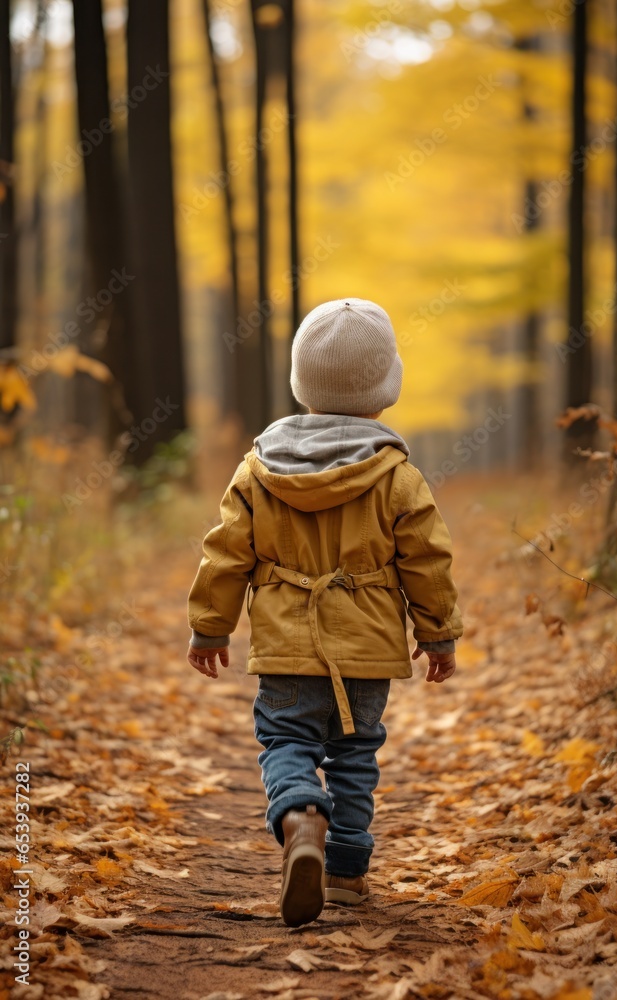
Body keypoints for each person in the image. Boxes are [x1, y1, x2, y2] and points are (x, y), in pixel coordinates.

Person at [187, 297, 463, 927]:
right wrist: (438, 634)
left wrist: (211, 625)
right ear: (385, 389)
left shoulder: (257, 468)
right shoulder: (397, 474)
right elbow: (426, 558)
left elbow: (226, 551)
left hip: (286, 643)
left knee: (286, 739)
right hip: (365, 651)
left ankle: (300, 817)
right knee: (355, 755)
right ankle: (344, 874)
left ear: (300, 382)